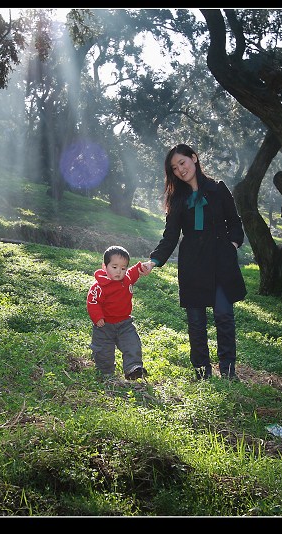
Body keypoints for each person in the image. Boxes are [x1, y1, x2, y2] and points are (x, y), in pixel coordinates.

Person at [141, 144, 247, 380]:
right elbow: (170, 237)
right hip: (192, 265)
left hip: (221, 262)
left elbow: (235, 222)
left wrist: (233, 245)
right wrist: (154, 261)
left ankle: (228, 371)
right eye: (174, 168)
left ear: (194, 158)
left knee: (224, 317)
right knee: (196, 322)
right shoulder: (177, 198)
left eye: (182, 163)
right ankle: (202, 372)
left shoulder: (218, 189)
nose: (180, 170)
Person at [87, 245, 151, 381]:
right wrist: (97, 317)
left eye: (123, 268)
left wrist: (143, 266)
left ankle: (133, 368)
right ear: (104, 267)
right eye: (114, 267)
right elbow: (93, 302)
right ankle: (105, 373)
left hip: (125, 323)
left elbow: (135, 271)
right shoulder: (99, 286)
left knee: (132, 344)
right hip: (104, 326)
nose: (119, 272)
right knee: (103, 351)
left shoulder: (126, 279)